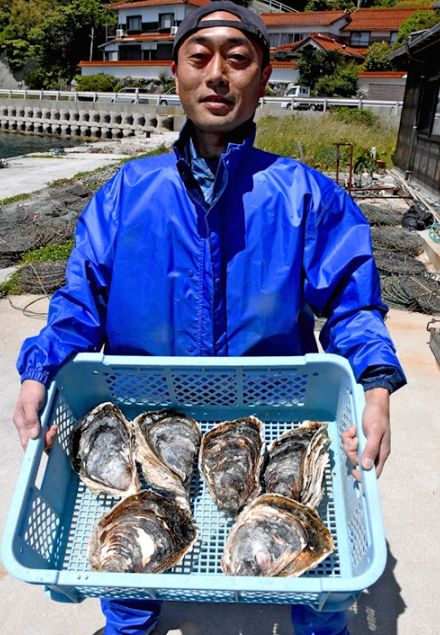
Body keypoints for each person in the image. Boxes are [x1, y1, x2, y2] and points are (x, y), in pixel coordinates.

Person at [13, 2, 406, 634]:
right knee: (134, 548)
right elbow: (79, 300)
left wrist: (377, 385)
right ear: (176, 74)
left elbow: (352, 305)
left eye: (238, 58)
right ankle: (131, 613)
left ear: (265, 75)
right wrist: (40, 373)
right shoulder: (124, 193)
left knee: (308, 569)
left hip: (275, 417)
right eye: (200, 57)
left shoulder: (306, 195)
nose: (217, 74)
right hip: (147, 416)